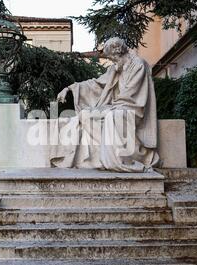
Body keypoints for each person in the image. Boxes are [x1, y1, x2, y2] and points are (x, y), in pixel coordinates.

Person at [50, 37, 159, 172]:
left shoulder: (138, 65)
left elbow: (132, 95)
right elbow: (96, 84)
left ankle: (118, 160)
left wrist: (107, 108)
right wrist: (70, 88)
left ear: (118, 51)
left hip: (132, 109)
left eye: (111, 57)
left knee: (112, 116)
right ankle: (97, 157)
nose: (111, 61)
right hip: (116, 107)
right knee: (85, 115)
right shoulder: (115, 69)